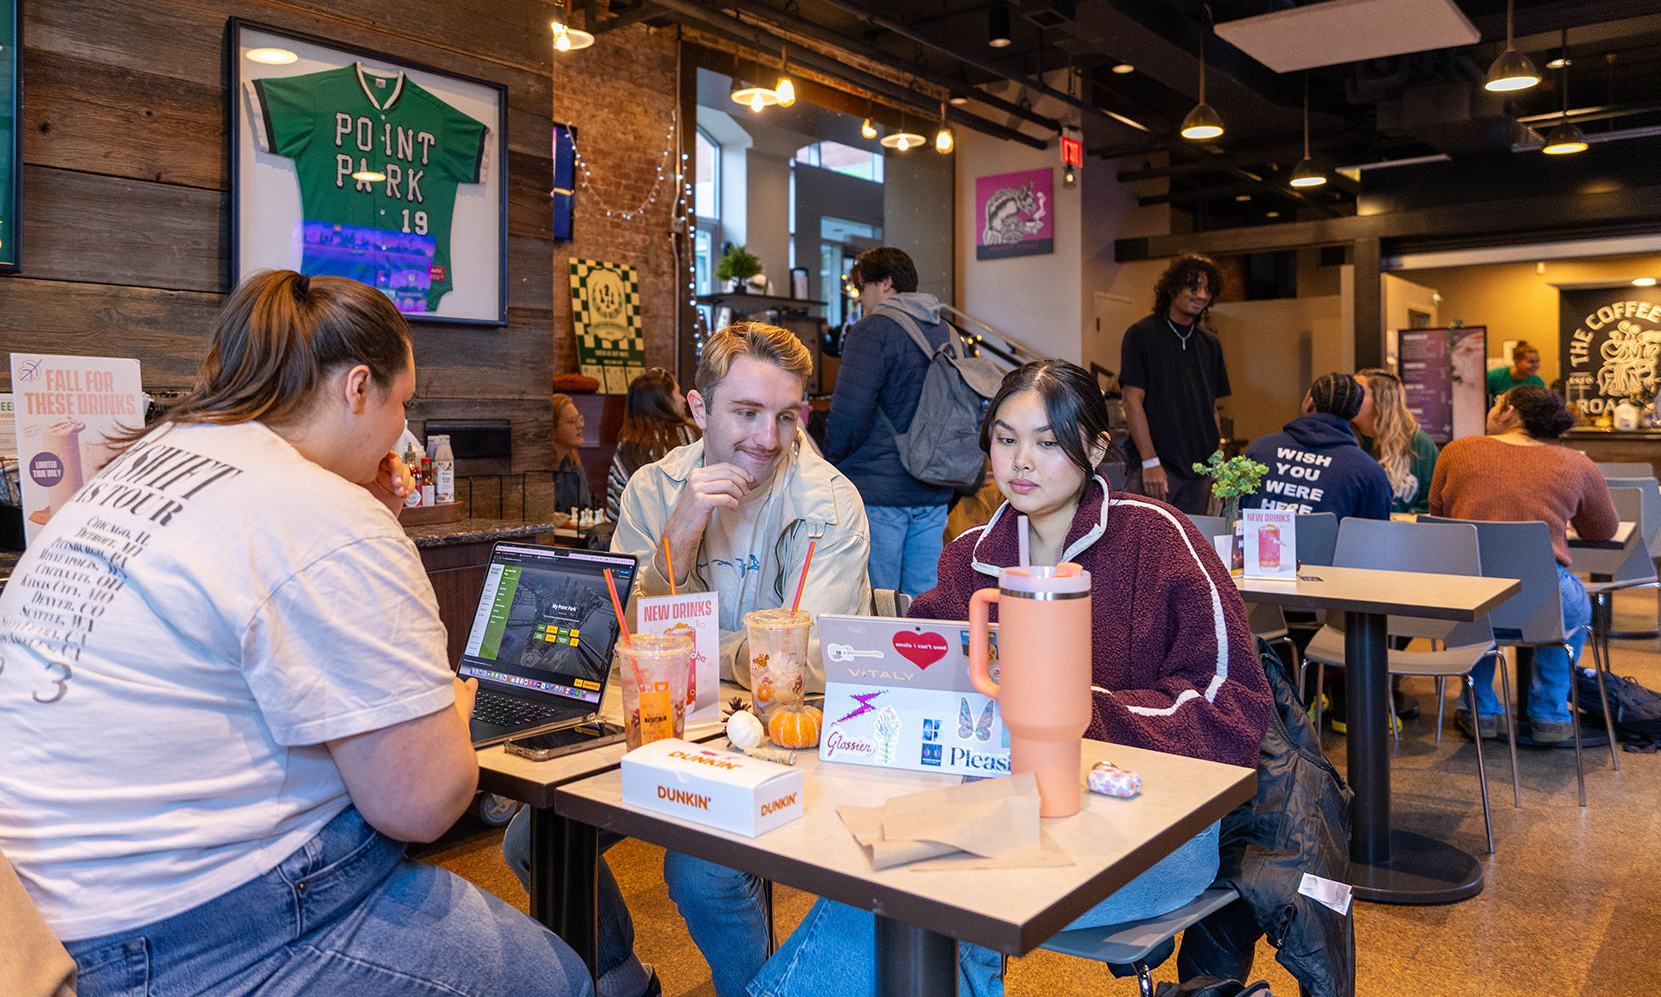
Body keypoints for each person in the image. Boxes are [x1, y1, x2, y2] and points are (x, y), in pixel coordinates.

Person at [0, 272, 591, 997]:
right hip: (144, 944)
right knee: (552, 977)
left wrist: (364, 517)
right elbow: (424, 802)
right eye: (403, 402)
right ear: (358, 388)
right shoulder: (323, 517)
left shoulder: (139, 467)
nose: (401, 431)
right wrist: (462, 707)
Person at [746, 359, 1273, 997]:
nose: (1021, 460)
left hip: (1151, 834)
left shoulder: (1158, 539)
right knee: (898, 874)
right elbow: (929, 678)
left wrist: (1074, 711)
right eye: (1005, 438)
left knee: (915, 887)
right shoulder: (972, 555)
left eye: (1047, 442)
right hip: (996, 814)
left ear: (1097, 447)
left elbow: (1233, 706)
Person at [504, 321, 872, 997]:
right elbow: (621, 637)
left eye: (785, 416)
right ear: (699, 410)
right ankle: (621, 979)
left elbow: (810, 660)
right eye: (747, 412)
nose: (767, 437)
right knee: (532, 841)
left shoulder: (830, 503)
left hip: (782, 740)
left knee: (703, 869)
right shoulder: (653, 490)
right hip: (663, 723)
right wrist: (677, 539)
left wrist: (698, 646)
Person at [1429, 384, 1616, 743]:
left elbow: (1439, 518)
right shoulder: (1576, 462)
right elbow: (1604, 530)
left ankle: (1478, 707)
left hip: (1469, 599)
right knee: (1574, 603)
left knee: (1471, 594)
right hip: (1542, 600)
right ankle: (1550, 712)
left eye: (1495, 403)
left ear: (1508, 411)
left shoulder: (1456, 451)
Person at [823, 246, 957, 596]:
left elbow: (849, 414)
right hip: (935, 489)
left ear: (885, 283)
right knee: (922, 603)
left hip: (879, 492)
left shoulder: (871, 331)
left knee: (878, 602)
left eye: (861, 286)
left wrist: (830, 465)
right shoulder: (947, 332)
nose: (859, 297)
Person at [1120, 254, 1233, 515]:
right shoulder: (1142, 334)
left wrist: (1217, 463)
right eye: (1194, 287)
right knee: (1148, 547)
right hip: (1157, 467)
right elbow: (1131, 400)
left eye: (1207, 289)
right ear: (1173, 288)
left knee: (1190, 548)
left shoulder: (1210, 343)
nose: (1202, 295)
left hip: (1200, 472)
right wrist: (1150, 462)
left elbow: (1212, 408)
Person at [1239, 372, 1391, 520]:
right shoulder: (1368, 472)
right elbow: (1375, 537)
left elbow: (1233, 515)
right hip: (1328, 546)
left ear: (1309, 402)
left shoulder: (1261, 449)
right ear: (1355, 412)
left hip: (1260, 545)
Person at [606, 368, 695, 525]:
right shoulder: (689, 435)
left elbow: (616, 511)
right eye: (678, 393)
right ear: (664, 401)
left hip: (637, 537)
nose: (683, 400)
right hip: (687, 531)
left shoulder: (627, 446)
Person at [1352, 368, 1440, 514]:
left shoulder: (1418, 443)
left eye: (1358, 392)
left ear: (1382, 401)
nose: (1349, 398)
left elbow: (1432, 503)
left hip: (1405, 532)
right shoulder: (1343, 440)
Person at [552, 393, 593, 517]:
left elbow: (586, 509)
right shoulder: (536, 469)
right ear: (552, 429)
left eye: (579, 419)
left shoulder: (574, 463)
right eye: (571, 421)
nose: (581, 425)